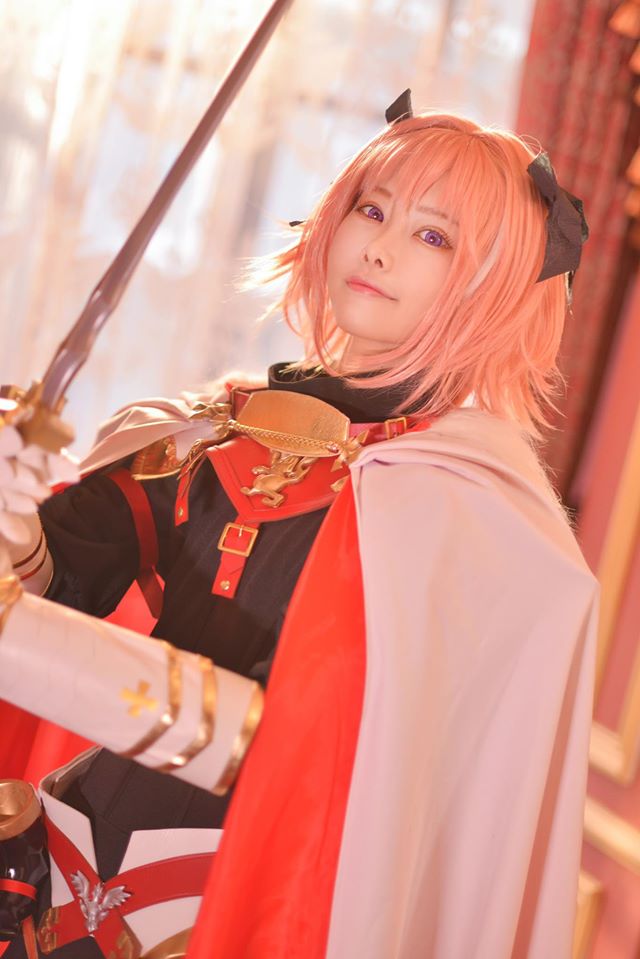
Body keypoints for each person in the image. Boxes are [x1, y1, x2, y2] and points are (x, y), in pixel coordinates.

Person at [0, 91, 598, 959]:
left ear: (492, 286)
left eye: (433, 236)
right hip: (66, 844)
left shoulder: (477, 517)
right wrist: (15, 522)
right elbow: (62, 580)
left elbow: (370, 757)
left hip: (273, 888)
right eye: (373, 209)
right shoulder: (211, 431)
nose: (381, 247)